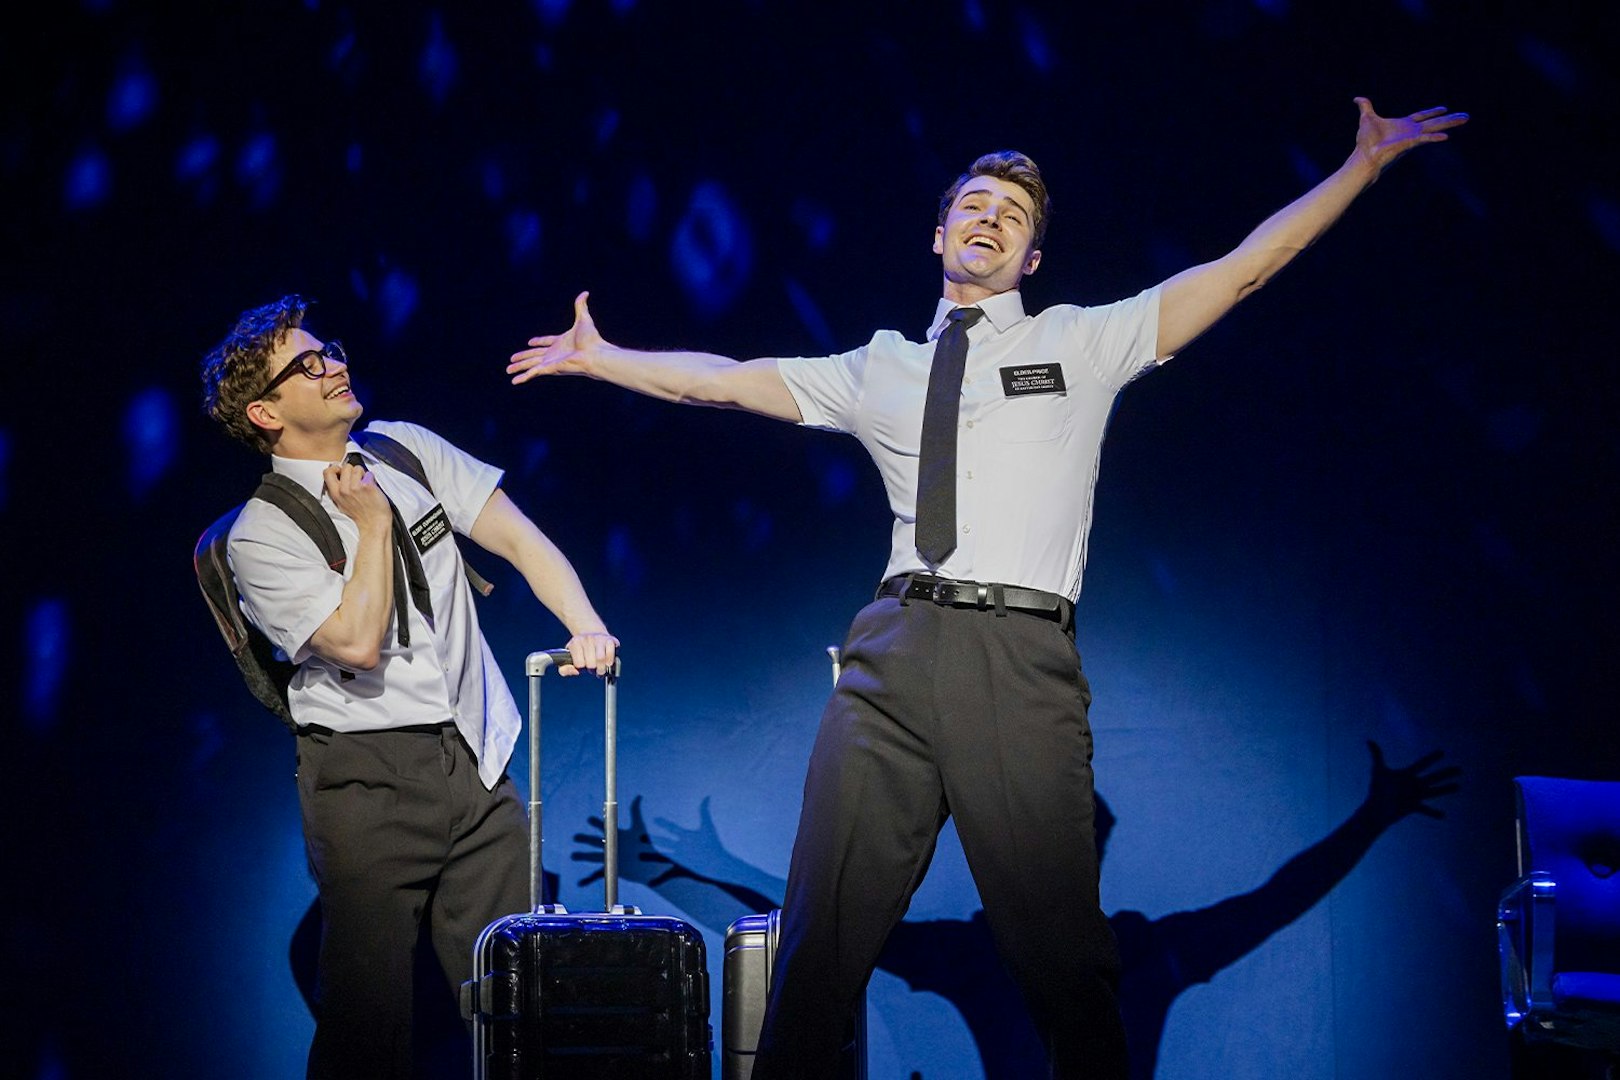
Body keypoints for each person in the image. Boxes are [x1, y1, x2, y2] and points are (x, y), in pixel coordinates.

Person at [506, 97, 1466, 1078]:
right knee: (819, 941)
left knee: (1063, 960)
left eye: (1015, 215)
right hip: (889, 651)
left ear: (1033, 260)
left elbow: (1243, 269)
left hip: (1021, 656)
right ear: (938, 233)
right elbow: (725, 379)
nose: (993, 218)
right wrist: (604, 358)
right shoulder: (879, 365)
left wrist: (1361, 167)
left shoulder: (1083, 346)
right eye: (975, 202)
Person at [200, 294, 618, 1079]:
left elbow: (521, 540)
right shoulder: (260, 535)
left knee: (516, 1001)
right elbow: (356, 643)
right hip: (366, 783)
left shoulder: (406, 450)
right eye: (308, 364)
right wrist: (372, 527)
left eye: (333, 351)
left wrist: (584, 621)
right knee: (370, 1024)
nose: (335, 367)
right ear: (265, 411)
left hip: (476, 759)